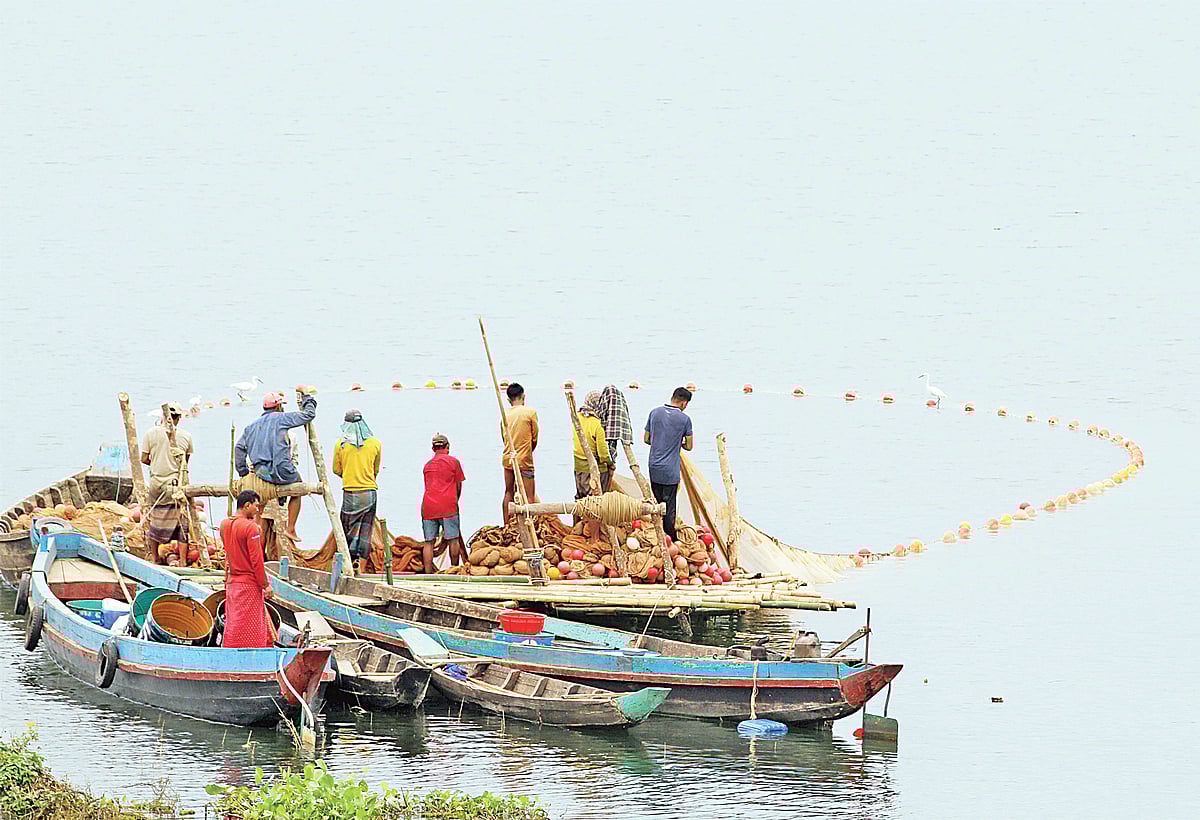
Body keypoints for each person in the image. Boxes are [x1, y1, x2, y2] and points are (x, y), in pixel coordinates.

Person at [234, 391, 317, 543]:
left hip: (261, 473)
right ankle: (291, 528)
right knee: (298, 489)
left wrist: (243, 472)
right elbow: (308, 415)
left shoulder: (251, 427)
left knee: (260, 501)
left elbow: (239, 448)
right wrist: (307, 398)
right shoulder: (282, 418)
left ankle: (255, 527)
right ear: (278, 406)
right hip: (282, 471)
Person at [220, 490, 276, 648]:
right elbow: (257, 561)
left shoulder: (224, 524)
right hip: (248, 584)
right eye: (256, 506)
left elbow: (228, 553)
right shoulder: (251, 528)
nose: (258, 510)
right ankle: (252, 652)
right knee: (251, 626)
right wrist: (265, 585)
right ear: (246, 505)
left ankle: (231, 650)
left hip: (232, 583)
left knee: (234, 622)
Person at [140, 402, 193, 565]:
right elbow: (184, 463)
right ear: (179, 418)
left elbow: (144, 459)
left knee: (156, 519)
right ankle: (182, 560)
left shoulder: (151, 434)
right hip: (176, 484)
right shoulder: (186, 436)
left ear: (163, 416)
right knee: (182, 522)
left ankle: (155, 558)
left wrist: (157, 463)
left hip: (157, 484)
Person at [332, 409, 382, 572]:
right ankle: (360, 566)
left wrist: (349, 475)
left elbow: (336, 470)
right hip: (369, 493)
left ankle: (348, 563)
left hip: (350, 492)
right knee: (365, 530)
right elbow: (375, 470)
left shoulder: (341, 444)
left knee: (348, 528)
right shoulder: (375, 443)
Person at [643, 387, 693, 540]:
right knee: (669, 507)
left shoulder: (654, 412)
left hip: (654, 467)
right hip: (670, 471)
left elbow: (646, 439)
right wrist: (678, 443)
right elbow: (689, 446)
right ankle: (670, 539)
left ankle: (657, 535)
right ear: (684, 403)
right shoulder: (685, 419)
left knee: (657, 504)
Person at [422, 433, 466, 573]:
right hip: (448, 505)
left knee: (429, 541)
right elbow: (458, 485)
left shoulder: (427, 465)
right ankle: (454, 569)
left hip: (428, 507)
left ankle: (428, 573)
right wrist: (455, 501)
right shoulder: (454, 462)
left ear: (433, 448)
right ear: (447, 447)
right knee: (453, 539)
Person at [501, 382, 539, 522]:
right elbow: (534, 437)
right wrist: (528, 451)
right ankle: (531, 523)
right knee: (529, 495)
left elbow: (504, 437)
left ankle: (506, 523)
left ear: (509, 399)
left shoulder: (504, 414)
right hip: (525, 459)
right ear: (523, 396)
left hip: (508, 458)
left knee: (508, 492)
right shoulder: (530, 413)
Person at [573, 391, 614, 499]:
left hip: (578, 468)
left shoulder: (576, 418)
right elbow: (603, 455)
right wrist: (610, 464)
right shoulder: (598, 424)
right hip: (595, 471)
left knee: (581, 499)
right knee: (596, 501)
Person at [595, 384, 633, 470]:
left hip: (608, 430)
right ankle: (611, 465)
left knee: (606, 451)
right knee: (611, 451)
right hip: (621, 430)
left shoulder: (607, 396)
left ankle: (609, 467)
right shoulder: (620, 398)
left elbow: (602, 412)